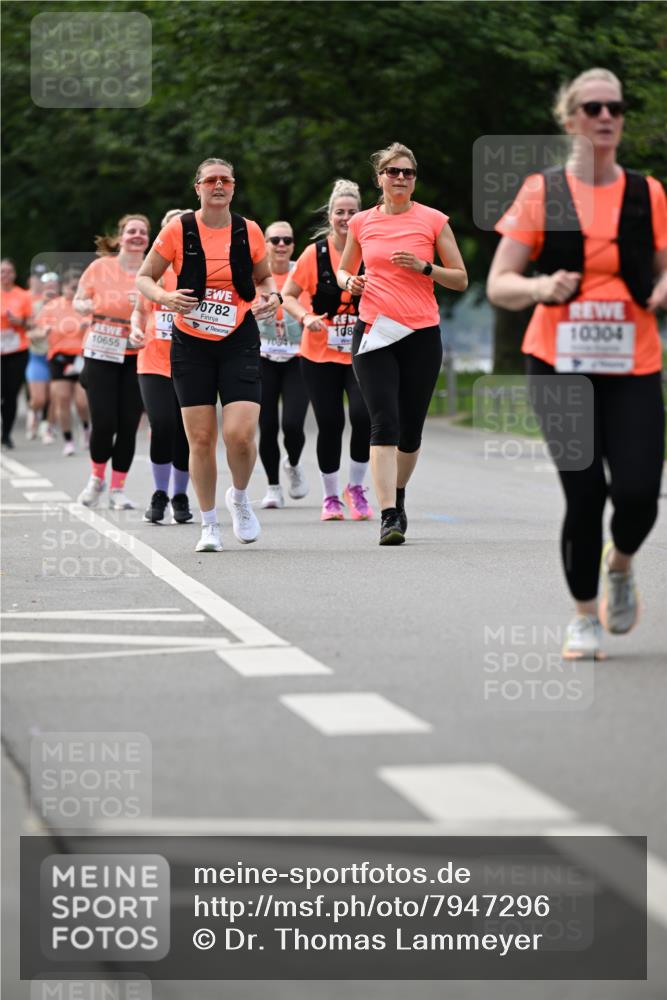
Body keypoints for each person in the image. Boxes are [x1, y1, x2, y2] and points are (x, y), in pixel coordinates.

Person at [486, 68, 667, 660]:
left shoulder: (648, 192)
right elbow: (499, 284)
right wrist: (540, 288)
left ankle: (620, 564)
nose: (607, 116)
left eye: (615, 106)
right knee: (585, 493)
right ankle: (584, 617)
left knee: (640, 491)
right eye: (593, 107)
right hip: (559, 362)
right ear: (570, 120)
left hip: (634, 361)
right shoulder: (543, 192)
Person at [136, 157, 280, 553]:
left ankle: (239, 496)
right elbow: (144, 277)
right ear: (197, 187)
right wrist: (166, 296)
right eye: (211, 180)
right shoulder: (178, 229)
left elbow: (264, 277)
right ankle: (209, 524)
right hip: (190, 342)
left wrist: (272, 295)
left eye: (226, 180)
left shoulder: (248, 230)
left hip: (238, 337)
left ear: (234, 187)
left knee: (240, 435)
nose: (219, 185)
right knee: (200, 438)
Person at [337, 142, 468, 545]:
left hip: (420, 333)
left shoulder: (432, 221)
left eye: (407, 173)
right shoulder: (361, 222)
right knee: (384, 422)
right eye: (392, 171)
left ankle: (397, 493)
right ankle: (389, 516)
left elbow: (460, 278)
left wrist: (426, 267)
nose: (400, 178)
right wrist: (351, 282)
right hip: (374, 330)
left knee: (410, 430)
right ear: (379, 177)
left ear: (414, 180)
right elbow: (344, 270)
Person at [283, 179, 373, 522]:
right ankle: (331, 496)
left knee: (363, 417)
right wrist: (306, 317)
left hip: (361, 351)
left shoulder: (370, 250)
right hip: (319, 353)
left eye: (353, 212)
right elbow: (288, 295)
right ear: (330, 215)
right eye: (340, 212)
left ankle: (357, 488)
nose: (346, 218)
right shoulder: (315, 254)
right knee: (330, 422)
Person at [74, 214, 150, 509]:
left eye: (142, 232)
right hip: (101, 353)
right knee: (104, 422)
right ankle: (96, 478)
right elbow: (78, 301)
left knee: (128, 424)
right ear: (120, 237)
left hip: (137, 355)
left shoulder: (152, 270)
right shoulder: (100, 267)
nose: (137, 236)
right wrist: (88, 305)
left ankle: (118, 488)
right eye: (132, 231)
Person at [130, 208, 193, 525]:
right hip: (153, 361)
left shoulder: (196, 270)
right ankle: (158, 493)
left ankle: (180, 495)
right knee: (163, 424)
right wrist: (135, 329)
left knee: (185, 431)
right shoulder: (152, 273)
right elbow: (140, 311)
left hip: (189, 362)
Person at [256, 220, 310, 509]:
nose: (280, 245)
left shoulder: (301, 273)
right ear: (264, 243)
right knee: (266, 425)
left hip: (297, 357)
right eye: (274, 240)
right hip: (262, 357)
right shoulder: (257, 276)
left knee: (292, 424)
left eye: (287, 240)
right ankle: (273, 487)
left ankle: (294, 463)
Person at [37, 269, 90, 455]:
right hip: (59, 358)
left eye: (78, 288)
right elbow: (36, 331)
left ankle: (86, 428)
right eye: (71, 288)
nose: (74, 292)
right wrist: (43, 332)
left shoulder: (85, 306)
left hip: (81, 358)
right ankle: (68, 440)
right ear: (63, 288)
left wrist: (89, 325)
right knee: (62, 400)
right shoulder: (51, 307)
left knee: (82, 402)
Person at [1, 258, 31, 449]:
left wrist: (18, 321)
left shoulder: (23, 296)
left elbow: (31, 323)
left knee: (10, 394)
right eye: (2, 271)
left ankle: (6, 434)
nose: (5, 275)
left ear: (14, 274)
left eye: (9, 271)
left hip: (17, 350)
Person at [26, 271, 59, 444]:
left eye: (54, 286)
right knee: (39, 398)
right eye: (48, 286)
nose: (51, 290)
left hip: (57, 356)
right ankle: (33, 413)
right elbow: (29, 332)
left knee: (54, 396)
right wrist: (41, 333)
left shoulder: (64, 306)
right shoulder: (35, 307)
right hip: (37, 356)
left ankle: (48, 427)